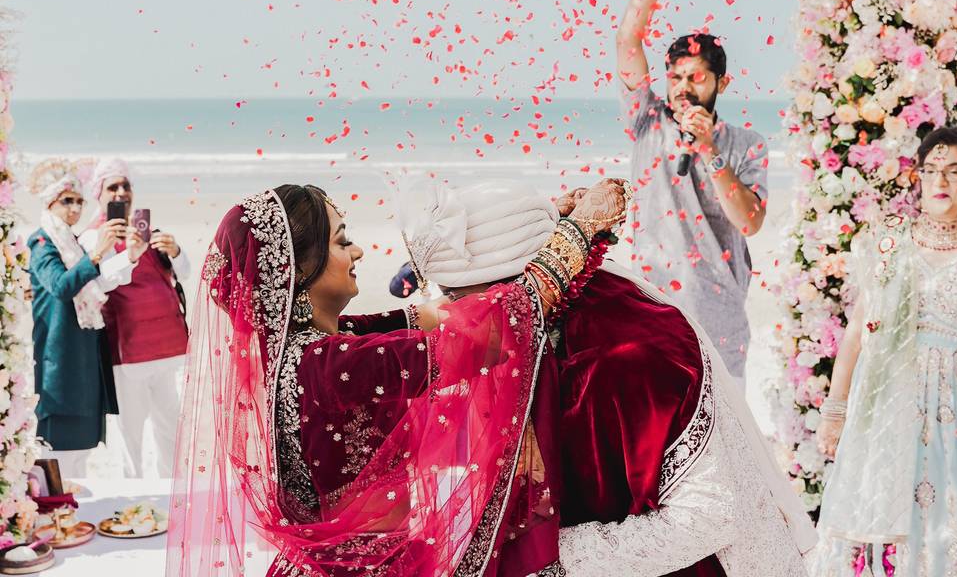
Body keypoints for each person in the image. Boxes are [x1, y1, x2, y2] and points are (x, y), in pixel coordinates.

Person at [166, 179, 627, 577]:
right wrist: (577, 233)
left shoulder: (301, 351)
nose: (359, 250)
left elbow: (429, 316)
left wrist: (523, 224)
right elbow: (495, 329)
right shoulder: (331, 367)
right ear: (300, 270)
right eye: (342, 241)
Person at [396, 179, 815, 576]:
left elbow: (710, 516)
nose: (450, 318)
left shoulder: (625, 350)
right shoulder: (533, 331)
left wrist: (544, 558)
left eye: (457, 299)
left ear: (522, 284)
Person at [617, 0, 768, 381]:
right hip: (652, 311)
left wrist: (709, 151)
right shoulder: (648, 122)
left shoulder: (746, 143)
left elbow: (750, 223)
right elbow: (628, 38)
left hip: (718, 322)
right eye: (675, 76)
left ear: (721, 84)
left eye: (696, 77)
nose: (683, 86)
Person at [813, 127, 957, 576]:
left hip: (953, 406)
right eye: (932, 171)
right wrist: (835, 411)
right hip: (894, 404)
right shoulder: (890, 245)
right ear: (918, 177)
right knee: (897, 520)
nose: (941, 183)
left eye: (954, 172)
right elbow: (858, 330)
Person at [26, 159, 145, 478]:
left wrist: (128, 257)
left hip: (83, 360)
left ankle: (72, 520)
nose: (76, 208)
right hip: (61, 360)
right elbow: (61, 286)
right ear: (50, 202)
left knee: (82, 452)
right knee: (57, 457)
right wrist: (94, 255)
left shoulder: (71, 244)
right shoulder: (42, 243)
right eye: (68, 200)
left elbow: (94, 283)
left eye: (80, 201)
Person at [78, 158, 189, 478]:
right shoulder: (93, 239)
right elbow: (99, 284)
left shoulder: (146, 230)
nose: (122, 192)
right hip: (128, 351)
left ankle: (170, 497)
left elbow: (180, 275)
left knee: (170, 427)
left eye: (126, 186)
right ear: (99, 194)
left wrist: (176, 251)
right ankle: (132, 501)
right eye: (113, 187)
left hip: (166, 346)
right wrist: (128, 254)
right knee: (132, 435)